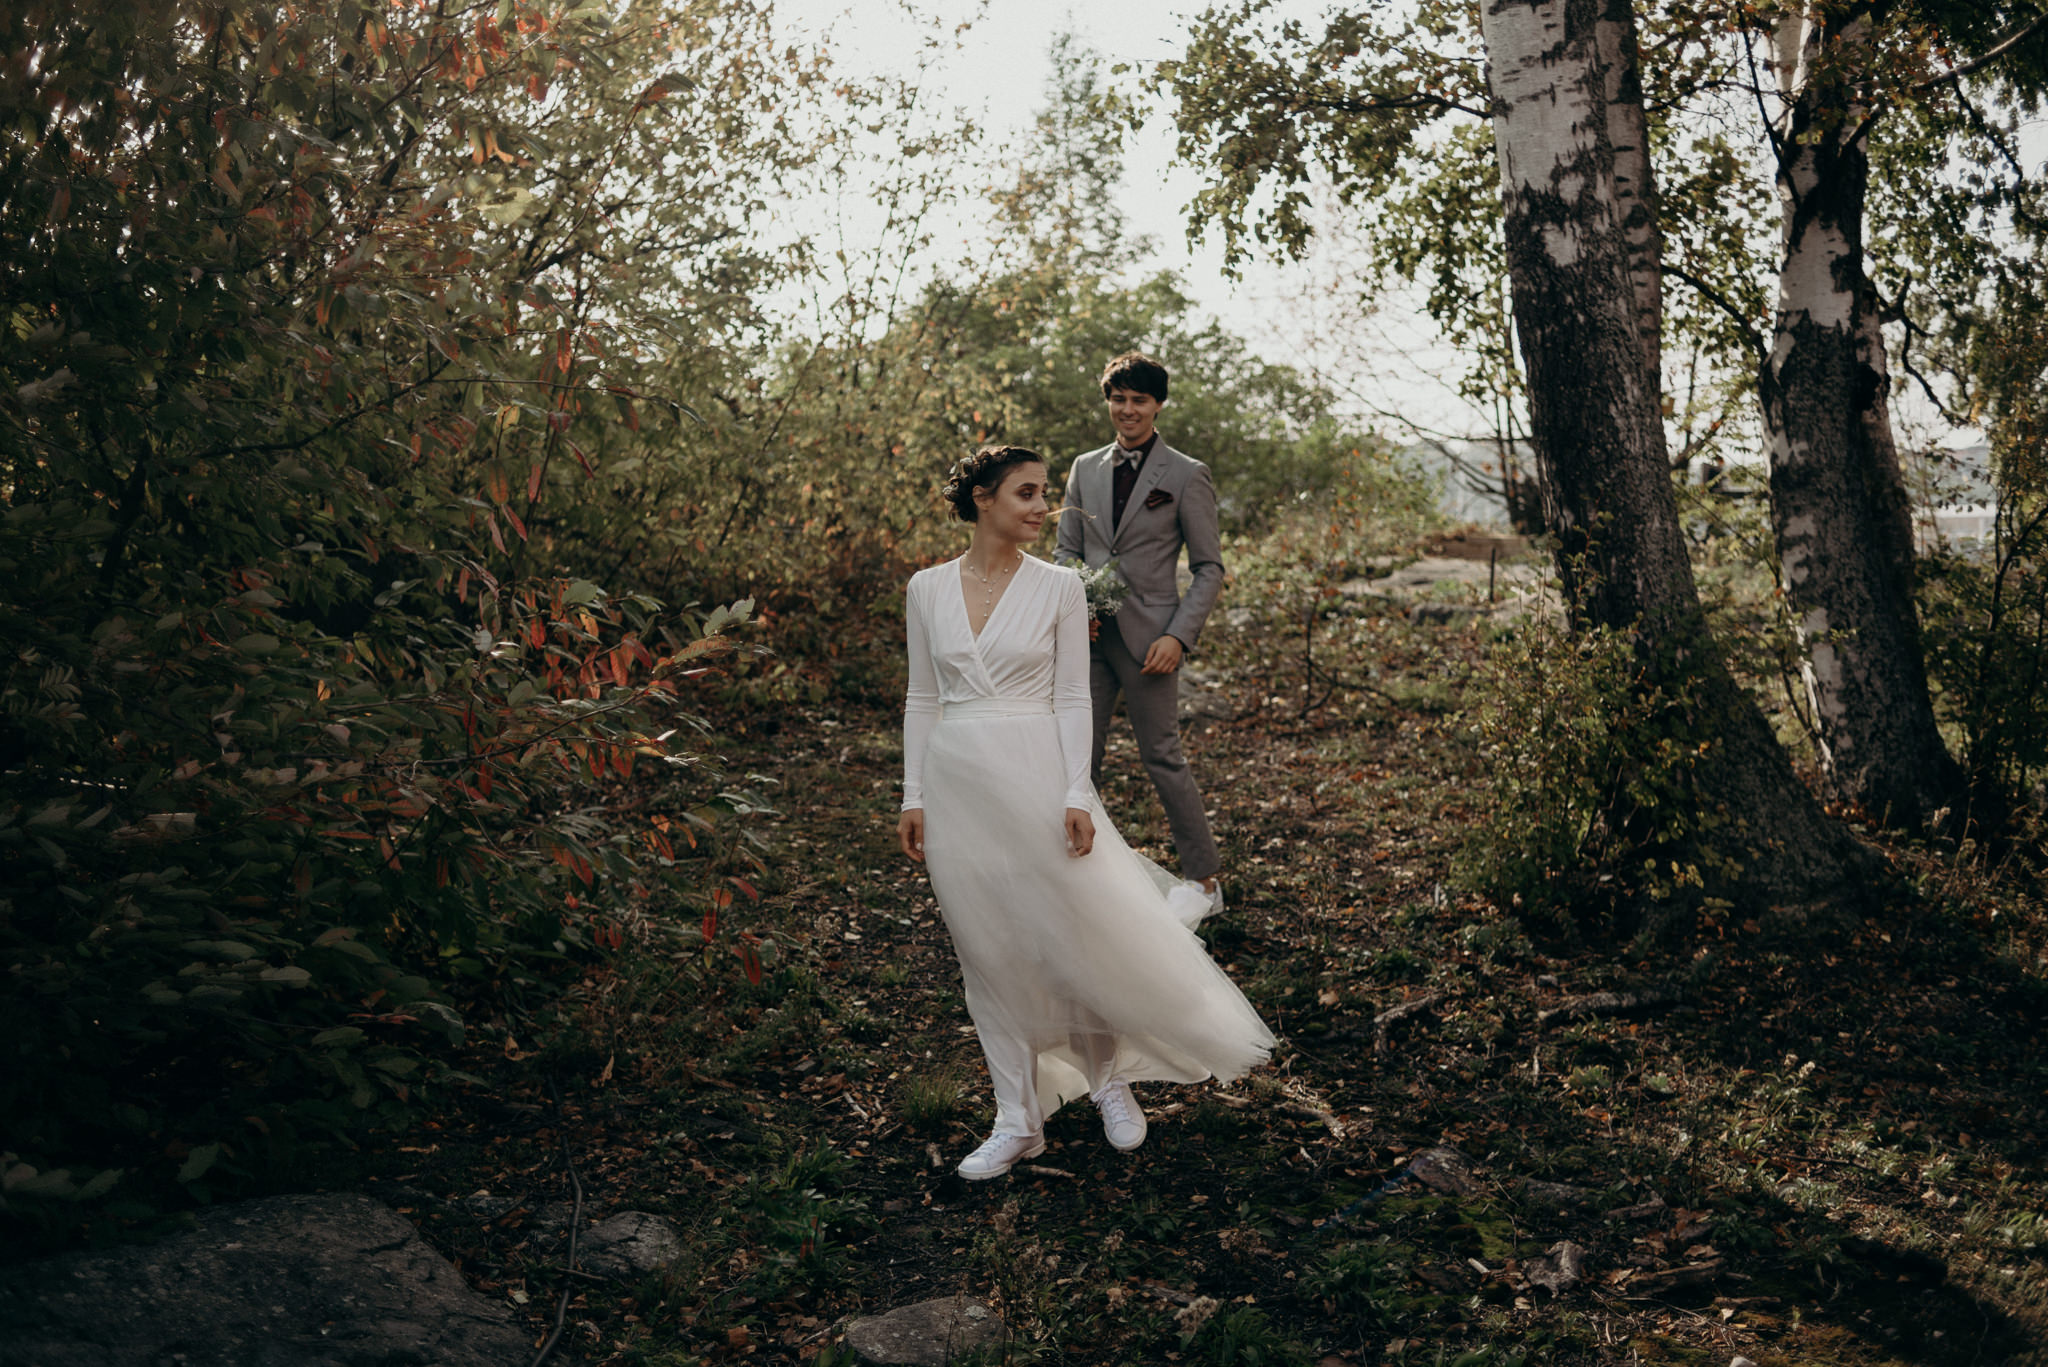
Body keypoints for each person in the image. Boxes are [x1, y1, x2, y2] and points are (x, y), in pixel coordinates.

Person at [897, 445, 1274, 1181]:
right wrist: (913, 794)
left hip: (1038, 773)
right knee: (987, 947)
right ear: (982, 498)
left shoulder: (1060, 588)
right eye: (1027, 493)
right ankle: (1017, 1117)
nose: (1045, 507)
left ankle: (1107, 1081)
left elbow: (1074, 696)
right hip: (956, 785)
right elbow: (922, 697)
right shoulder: (926, 588)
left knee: (1070, 932)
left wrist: (1077, 790)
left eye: (1045, 493)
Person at [1053, 352, 1226, 913]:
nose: (1127, 410)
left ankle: (1204, 880)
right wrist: (1076, 605)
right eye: (1118, 399)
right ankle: (1078, 870)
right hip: (1087, 636)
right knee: (1079, 757)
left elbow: (1209, 568)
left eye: (1139, 400)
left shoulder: (1185, 473)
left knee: (1162, 757)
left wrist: (1178, 636)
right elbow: (1067, 549)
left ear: (1158, 405)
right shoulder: (1084, 467)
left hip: (1152, 640)